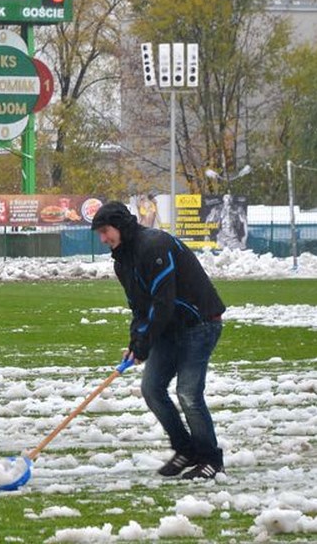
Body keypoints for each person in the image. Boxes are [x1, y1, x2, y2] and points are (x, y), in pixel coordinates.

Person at [91, 201, 226, 480]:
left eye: (105, 231)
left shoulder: (154, 246)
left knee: (188, 394)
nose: (103, 239)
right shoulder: (122, 261)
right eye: (100, 234)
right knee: (152, 389)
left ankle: (211, 459)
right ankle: (185, 449)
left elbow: (162, 301)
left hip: (199, 324)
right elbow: (140, 307)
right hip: (169, 328)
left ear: (121, 226)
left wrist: (145, 342)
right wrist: (135, 341)